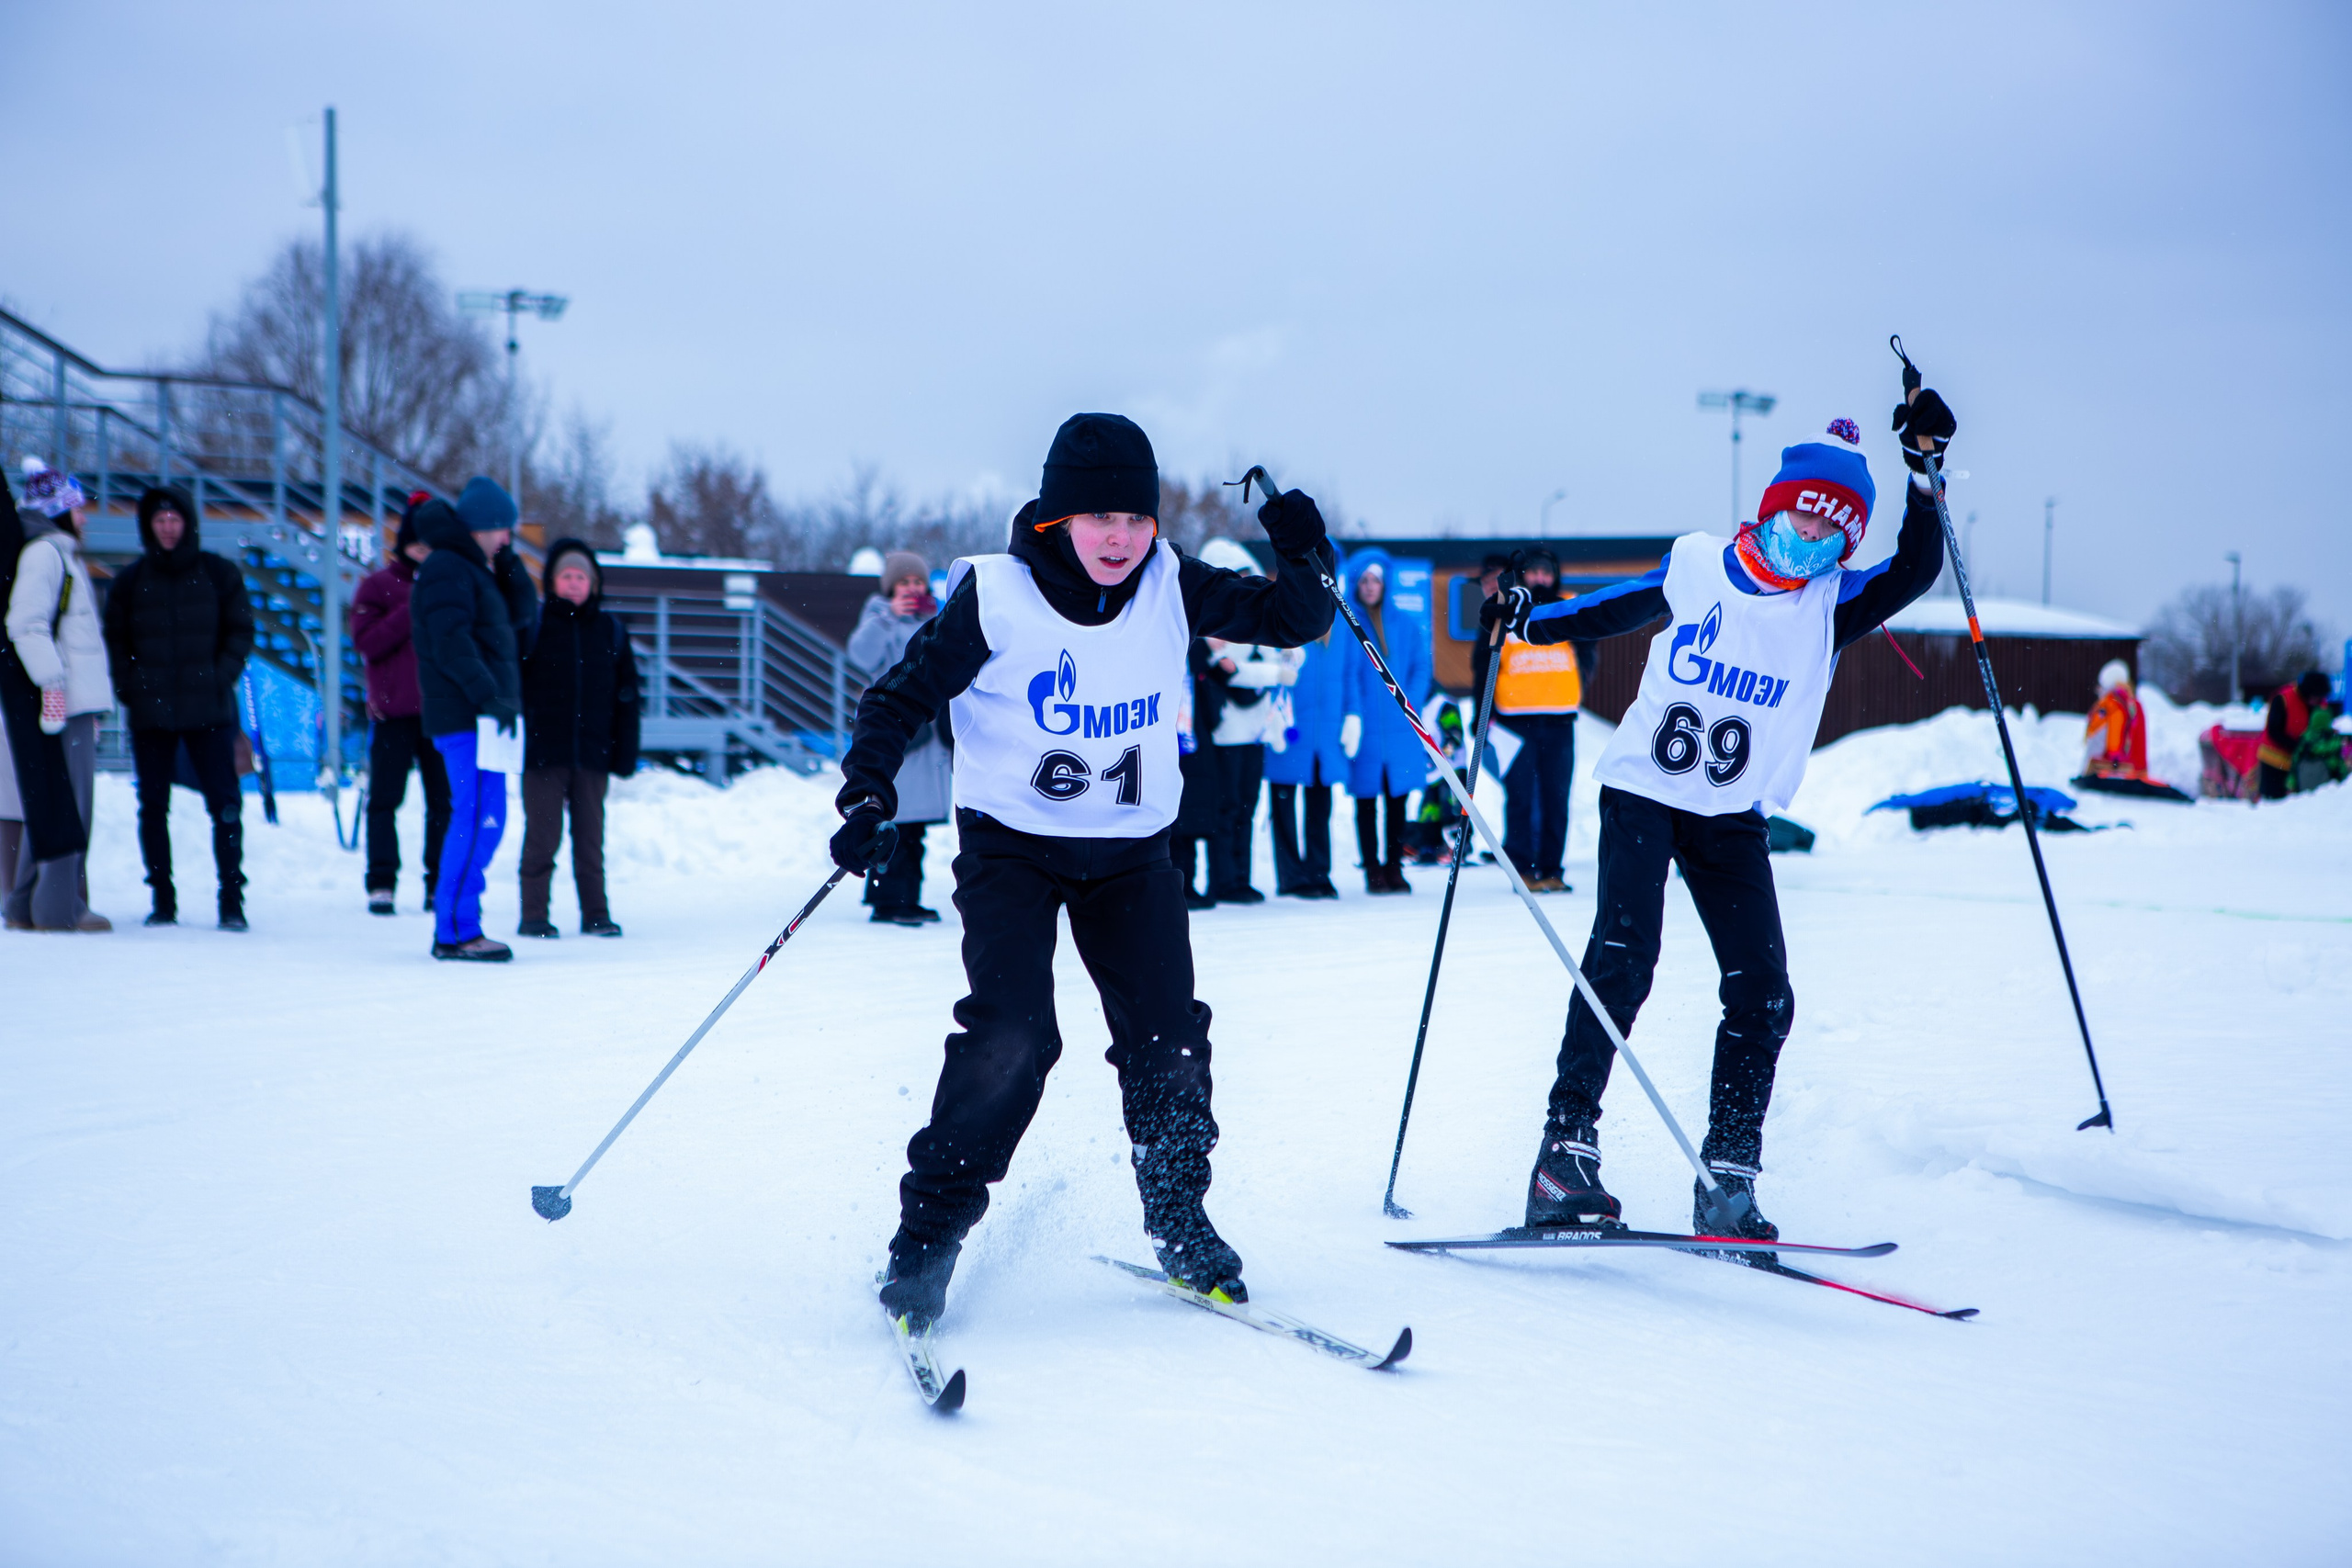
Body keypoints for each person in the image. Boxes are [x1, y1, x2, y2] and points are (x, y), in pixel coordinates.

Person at [831, 412, 1335, 1333]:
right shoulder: (995, 596)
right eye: (1100, 517)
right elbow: (898, 699)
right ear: (1058, 517)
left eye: (1136, 518)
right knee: (1011, 1039)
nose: (1120, 538)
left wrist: (1301, 549)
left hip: (1132, 852)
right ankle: (926, 1240)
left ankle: (1180, 1218)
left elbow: (1295, 619)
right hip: (1012, 849)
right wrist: (867, 794)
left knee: (1169, 1041)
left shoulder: (1170, 582)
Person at [1484, 392, 1952, 1239]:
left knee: (1764, 992)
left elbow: (1915, 570)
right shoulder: (1699, 563)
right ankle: (1564, 1153)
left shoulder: (1830, 604)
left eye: (1834, 529)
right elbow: (1616, 606)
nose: (1814, 536)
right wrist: (1530, 620)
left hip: (1730, 814)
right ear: (1775, 507)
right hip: (1644, 791)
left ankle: (1726, 1175)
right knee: (1624, 961)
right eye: (1805, 515)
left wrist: (1924, 473)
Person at [100, 484, 255, 930]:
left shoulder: (218, 574)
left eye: (175, 519)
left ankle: (231, 900)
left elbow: (241, 630)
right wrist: (130, 687)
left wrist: (219, 676)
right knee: (153, 806)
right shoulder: (130, 582)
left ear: (188, 523)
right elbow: (116, 640)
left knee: (225, 804)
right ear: (147, 526)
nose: (168, 527)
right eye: (159, 520)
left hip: (210, 710)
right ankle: (162, 899)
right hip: (151, 712)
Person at [411, 479, 538, 962]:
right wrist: (489, 696)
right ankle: (457, 932)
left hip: (483, 716)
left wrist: (511, 570)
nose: (507, 538)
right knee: (477, 819)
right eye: (504, 530)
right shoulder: (447, 567)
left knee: (487, 818)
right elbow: (451, 642)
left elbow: (518, 623)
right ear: (484, 525)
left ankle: (459, 925)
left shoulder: (471, 568)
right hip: (470, 715)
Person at [4, 459, 112, 932]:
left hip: (72, 701)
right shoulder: (46, 554)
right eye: (77, 507)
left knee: (51, 800)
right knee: (70, 805)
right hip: (65, 703)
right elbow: (24, 624)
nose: (84, 517)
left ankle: (25, 903)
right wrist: (53, 685)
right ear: (59, 510)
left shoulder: (55, 553)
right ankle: (59, 907)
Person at [517, 538, 639, 938]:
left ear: (593, 583)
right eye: (566, 575)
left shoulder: (611, 632)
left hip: (592, 755)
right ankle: (534, 916)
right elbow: (513, 689)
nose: (573, 583)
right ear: (552, 581)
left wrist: (624, 752)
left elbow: (627, 697)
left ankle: (596, 914)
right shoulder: (533, 627)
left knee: (590, 841)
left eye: (581, 577)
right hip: (543, 755)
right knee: (542, 839)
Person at [352, 498, 451, 915]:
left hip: (442, 712)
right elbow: (368, 642)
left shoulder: (452, 585)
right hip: (393, 713)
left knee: (443, 803)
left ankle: (439, 883)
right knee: (384, 801)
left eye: (431, 544)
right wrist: (412, 607)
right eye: (416, 542)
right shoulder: (377, 586)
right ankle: (381, 882)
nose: (423, 550)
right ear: (403, 543)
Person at [846, 551, 951, 925]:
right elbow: (860, 655)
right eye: (904, 582)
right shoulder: (879, 618)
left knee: (914, 830)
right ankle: (889, 900)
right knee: (894, 824)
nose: (912, 588)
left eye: (917, 581)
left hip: (929, 736)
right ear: (891, 587)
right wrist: (888, 617)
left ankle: (908, 897)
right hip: (899, 735)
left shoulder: (936, 619)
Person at [1472, 547, 1579, 892]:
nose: (1540, 578)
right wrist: (1481, 714)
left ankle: (1551, 869)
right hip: (1515, 722)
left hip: (1560, 720)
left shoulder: (1568, 607)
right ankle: (1523, 870)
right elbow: (1482, 666)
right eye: (1534, 572)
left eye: (1546, 572)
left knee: (1555, 798)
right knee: (1521, 797)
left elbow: (1586, 654)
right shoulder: (1506, 610)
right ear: (1523, 576)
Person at [1339, 548, 1428, 895]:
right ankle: (1372, 869)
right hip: (1367, 728)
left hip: (1401, 727)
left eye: (1375, 580)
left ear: (1385, 584)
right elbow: (1348, 673)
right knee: (1365, 801)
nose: (1370, 587)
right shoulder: (1349, 625)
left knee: (1397, 800)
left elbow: (1421, 667)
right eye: (1364, 580)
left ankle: (1394, 867)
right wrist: (1354, 711)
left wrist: (1410, 703)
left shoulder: (1405, 625)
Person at [1263, 615, 1343, 898]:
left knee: (1319, 808)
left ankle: (1319, 872)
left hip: (1323, 737)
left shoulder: (1341, 631)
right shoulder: (1284, 621)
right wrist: (1271, 719)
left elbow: (1350, 678)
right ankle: (1291, 876)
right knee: (1284, 807)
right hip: (1287, 729)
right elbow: (1269, 671)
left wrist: (1352, 716)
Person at [2256, 671, 2335, 801]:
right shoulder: (2283, 699)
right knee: (2273, 803)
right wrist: (2299, 746)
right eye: (2315, 697)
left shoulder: (2320, 705)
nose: (2317, 701)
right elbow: (2274, 731)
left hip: (2301, 764)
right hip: (2274, 761)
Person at [2082, 660, 2150, 781]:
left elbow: (2099, 739)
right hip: (2137, 771)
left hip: (2113, 768)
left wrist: (2086, 772)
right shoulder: (2134, 704)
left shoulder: (2110, 704)